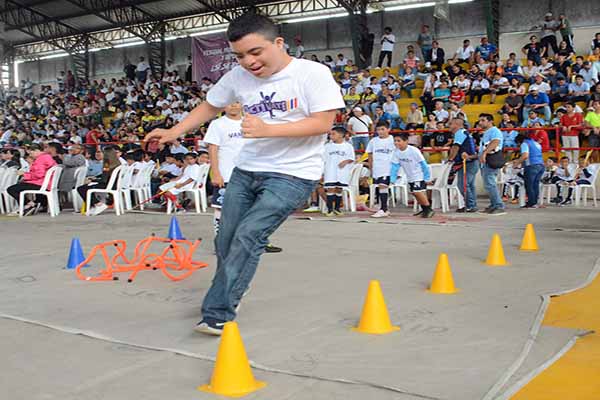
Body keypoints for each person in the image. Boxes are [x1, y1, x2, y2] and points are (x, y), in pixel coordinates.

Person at [145, 13, 344, 335]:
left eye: (256, 52)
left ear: (278, 43)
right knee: (225, 240)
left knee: (249, 235)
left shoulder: (312, 74)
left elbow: (323, 123)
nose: (249, 62)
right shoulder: (237, 77)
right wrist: (174, 131)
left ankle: (218, 312)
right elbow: (210, 106)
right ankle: (233, 288)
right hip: (247, 171)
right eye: (240, 55)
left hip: (292, 174)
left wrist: (268, 128)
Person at [390, 133, 434, 218]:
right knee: (416, 193)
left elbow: (424, 164)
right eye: (395, 141)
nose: (396, 143)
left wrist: (427, 177)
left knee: (418, 192)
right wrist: (392, 179)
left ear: (406, 141)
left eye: (399, 141)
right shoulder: (396, 152)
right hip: (410, 177)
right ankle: (424, 209)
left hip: (418, 175)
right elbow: (395, 166)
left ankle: (429, 209)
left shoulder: (413, 150)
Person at [77, 147, 121, 216]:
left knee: (81, 188)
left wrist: (93, 180)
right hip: (114, 184)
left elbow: (104, 179)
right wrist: (96, 177)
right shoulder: (118, 163)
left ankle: (97, 204)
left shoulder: (106, 164)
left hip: (106, 184)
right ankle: (96, 205)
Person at [447, 118, 478, 212]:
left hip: (467, 162)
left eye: (451, 124)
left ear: (456, 124)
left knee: (463, 185)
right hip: (472, 161)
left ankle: (470, 205)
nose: (449, 125)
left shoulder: (459, 133)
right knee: (470, 185)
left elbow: (455, 147)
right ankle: (471, 205)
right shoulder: (465, 133)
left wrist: (450, 159)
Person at [477, 113, 506, 215]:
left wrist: (484, 153)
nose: (480, 122)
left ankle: (498, 205)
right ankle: (494, 204)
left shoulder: (494, 131)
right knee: (488, 184)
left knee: (490, 184)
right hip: (486, 161)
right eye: (480, 120)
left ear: (490, 121)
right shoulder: (487, 132)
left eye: (483, 120)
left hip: (490, 160)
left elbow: (495, 142)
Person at [323, 126, 355, 216]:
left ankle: (337, 208)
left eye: (333, 134)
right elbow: (323, 159)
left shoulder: (348, 146)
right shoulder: (327, 146)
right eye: (330, 134)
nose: (331, 136)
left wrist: (346, 161)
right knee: (330, 188)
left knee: (339, 189)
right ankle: (329, 209)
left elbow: (352, 158)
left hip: (342, 171)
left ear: (341, 135)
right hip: (330, 170)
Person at [366, 121, 395, 218]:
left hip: (388, 168)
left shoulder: (393, 140)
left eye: (383, 129)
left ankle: (384, 209)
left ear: (388, 129)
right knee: (380, 187)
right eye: (378, 129)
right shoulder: (373, 141)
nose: (380, 131)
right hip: (377, 168)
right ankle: (382, 207)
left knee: (383, 186)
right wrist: (371, 167)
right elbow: (370, 154)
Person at [513, 134, 545, 208]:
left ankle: (531, 203)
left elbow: (525, 156)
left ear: (519, 141)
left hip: (531, 165)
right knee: (535, 185)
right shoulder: (536, 143)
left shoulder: (524, 144)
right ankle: (534, 202)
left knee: (529, 185)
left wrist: (517, 163)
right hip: (541, 164)